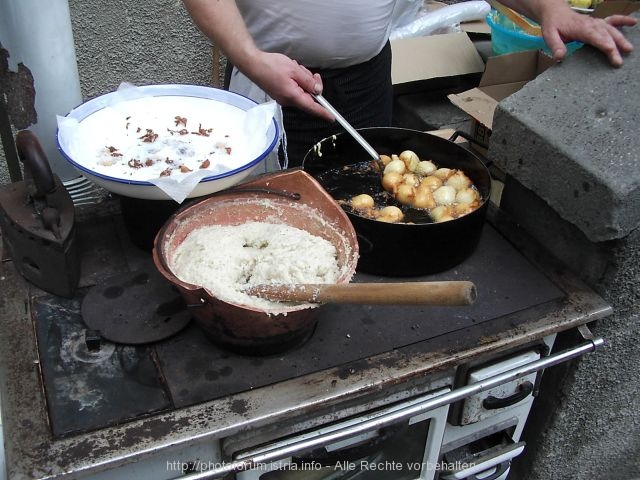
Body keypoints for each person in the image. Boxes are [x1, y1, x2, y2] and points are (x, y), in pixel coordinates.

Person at [182, 0, 637, 168]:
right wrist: (250, 58)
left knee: (367, 189)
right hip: (268, 77)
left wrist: (551, 9)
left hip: (366, 78)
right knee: (282, 203)